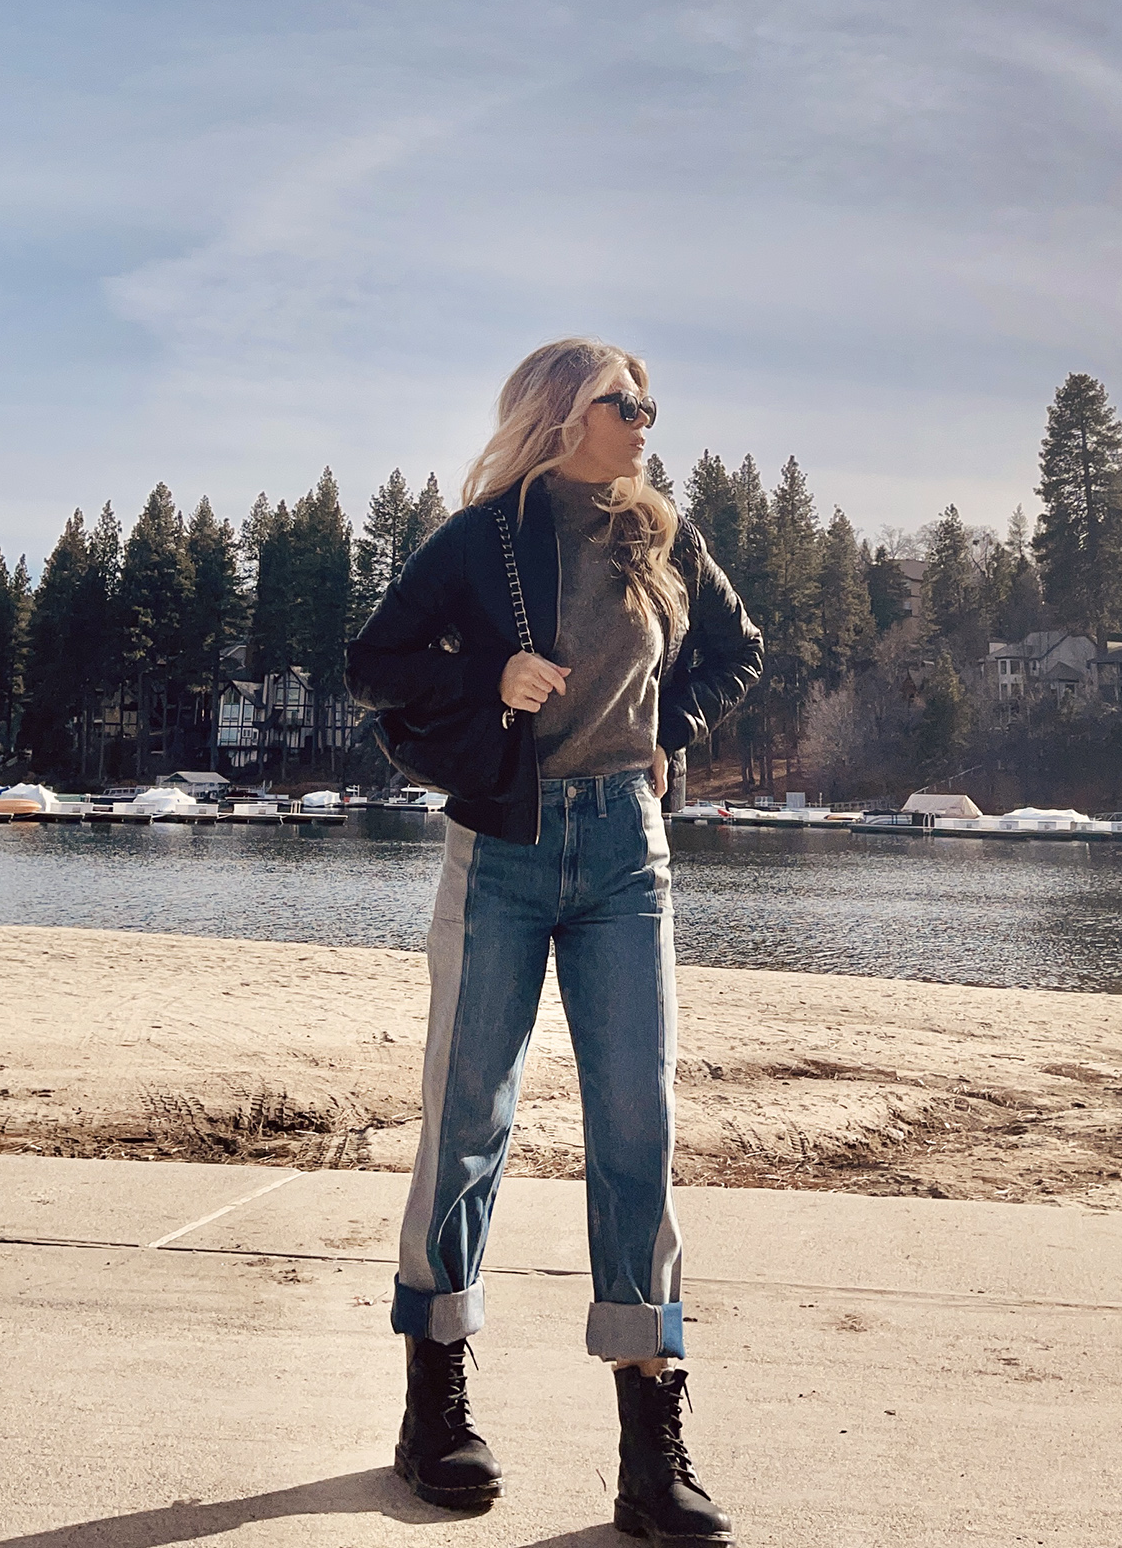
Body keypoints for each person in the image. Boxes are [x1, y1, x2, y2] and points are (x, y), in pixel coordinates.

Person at [346, 338, 763, 1543]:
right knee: (468, 1115)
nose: (645, 421)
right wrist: (493, 675)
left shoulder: (663, 534)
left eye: (649, 403)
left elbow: (733, 652)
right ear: (561, 413)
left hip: (630, 852)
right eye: (622, 402)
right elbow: (374, 663)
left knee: (638, 1125)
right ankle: (435, 1401)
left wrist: (662, 724)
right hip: (505, 855)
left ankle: (650, 1438)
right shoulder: (485, 535)